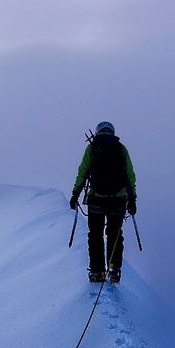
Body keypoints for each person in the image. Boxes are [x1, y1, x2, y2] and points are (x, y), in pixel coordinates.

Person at [70, 121, 137, 283]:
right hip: (118, 201)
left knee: (95, 235)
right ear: (112, 132)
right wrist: (132, 199)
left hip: (96, 200)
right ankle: (114, 269)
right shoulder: (121, 148)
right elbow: (130, 175)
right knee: (115, 235)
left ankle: (97, 272)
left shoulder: (92, 148)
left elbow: (83, 171)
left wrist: (75, 193)